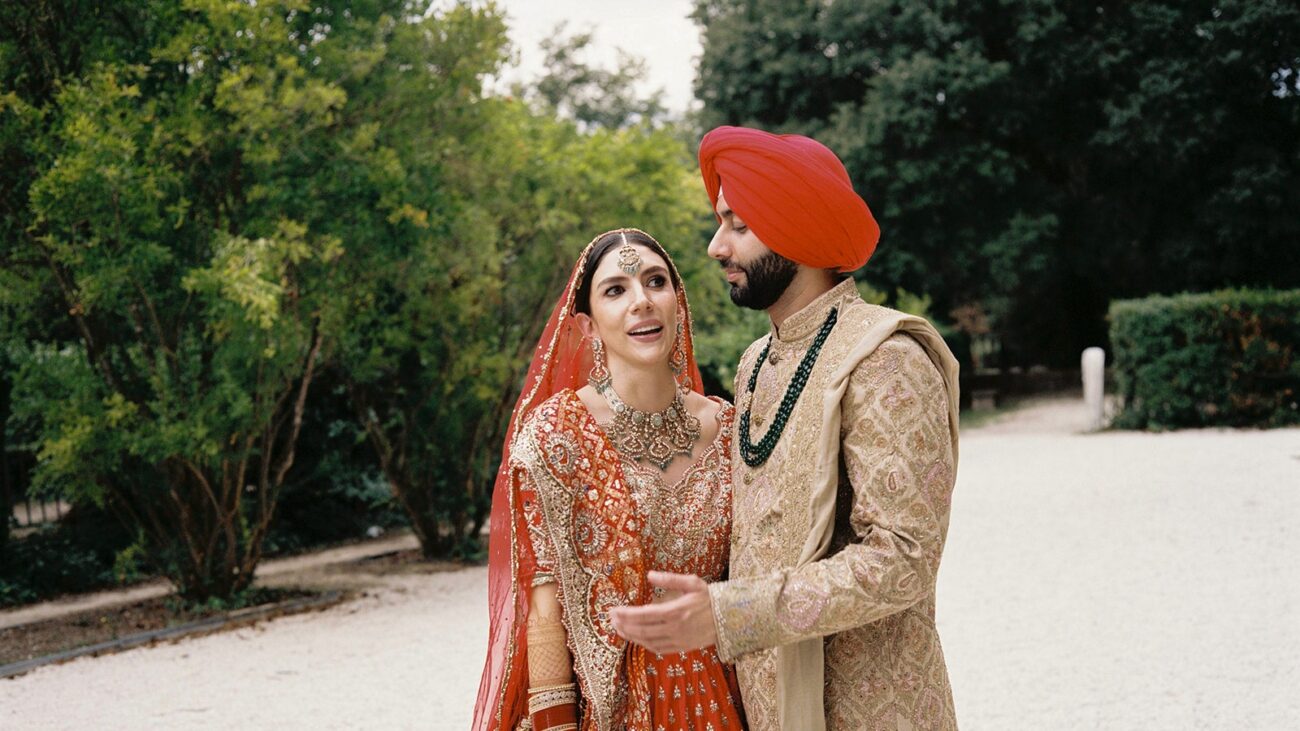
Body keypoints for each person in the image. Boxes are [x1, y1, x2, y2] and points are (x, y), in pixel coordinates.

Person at [610, 126, 962, 730]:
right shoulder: (755, 363)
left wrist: (730, 612)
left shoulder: (885, 358)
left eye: (740, 226)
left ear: (798, 230)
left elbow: (904, 558)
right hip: (769, 706)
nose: (717, 246)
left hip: (871, 708)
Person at [472, 229, 746, 731]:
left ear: (678, 303)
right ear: (588, 325)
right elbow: (544, 611)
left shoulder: (729, 429)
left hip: (729, 697)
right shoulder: (558, 437)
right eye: (615, 290)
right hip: (615, 709)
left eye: (655, 282)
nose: (641, 302)